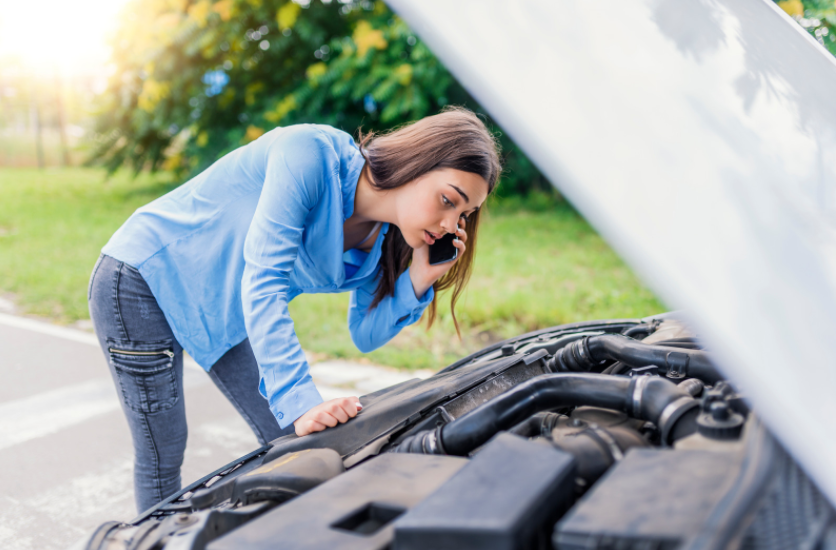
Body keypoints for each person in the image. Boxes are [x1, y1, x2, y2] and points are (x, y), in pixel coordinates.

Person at [87, 106, 501, 512]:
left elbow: (365, 333)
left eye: (464, 214)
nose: (451, 224)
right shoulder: (309, 154)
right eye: (448, 199)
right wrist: (301, 402)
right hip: (143, 279)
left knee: (294, 442)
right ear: (416, 162)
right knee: (165, 450)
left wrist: (419, 279)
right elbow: (263, 279)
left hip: (224, 312)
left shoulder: (383, 241)